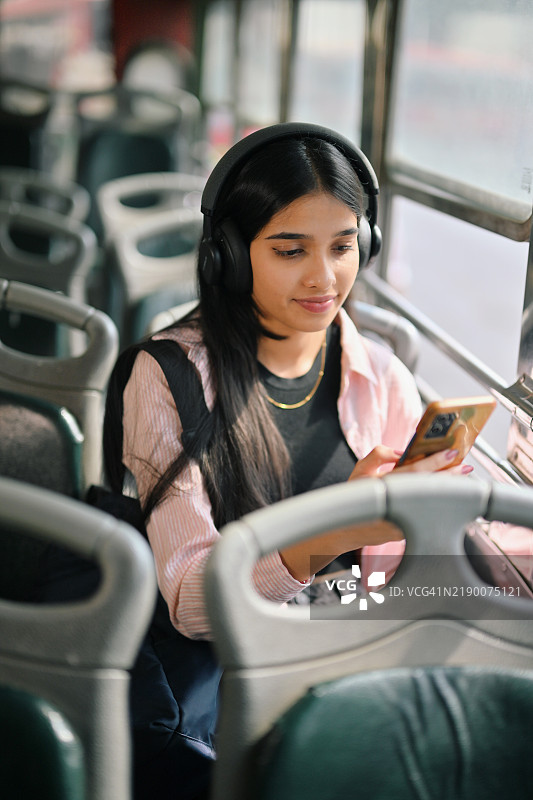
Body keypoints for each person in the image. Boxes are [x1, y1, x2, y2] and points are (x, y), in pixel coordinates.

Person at [113, 122, 473, 797]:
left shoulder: (382, 376)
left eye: (342, 247)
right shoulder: (165, 379)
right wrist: (337, 531)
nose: (323, 276)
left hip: (347, 653)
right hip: (232, 675)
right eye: (288, 250)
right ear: (230, 255)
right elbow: (192, 602)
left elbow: (390, 589)